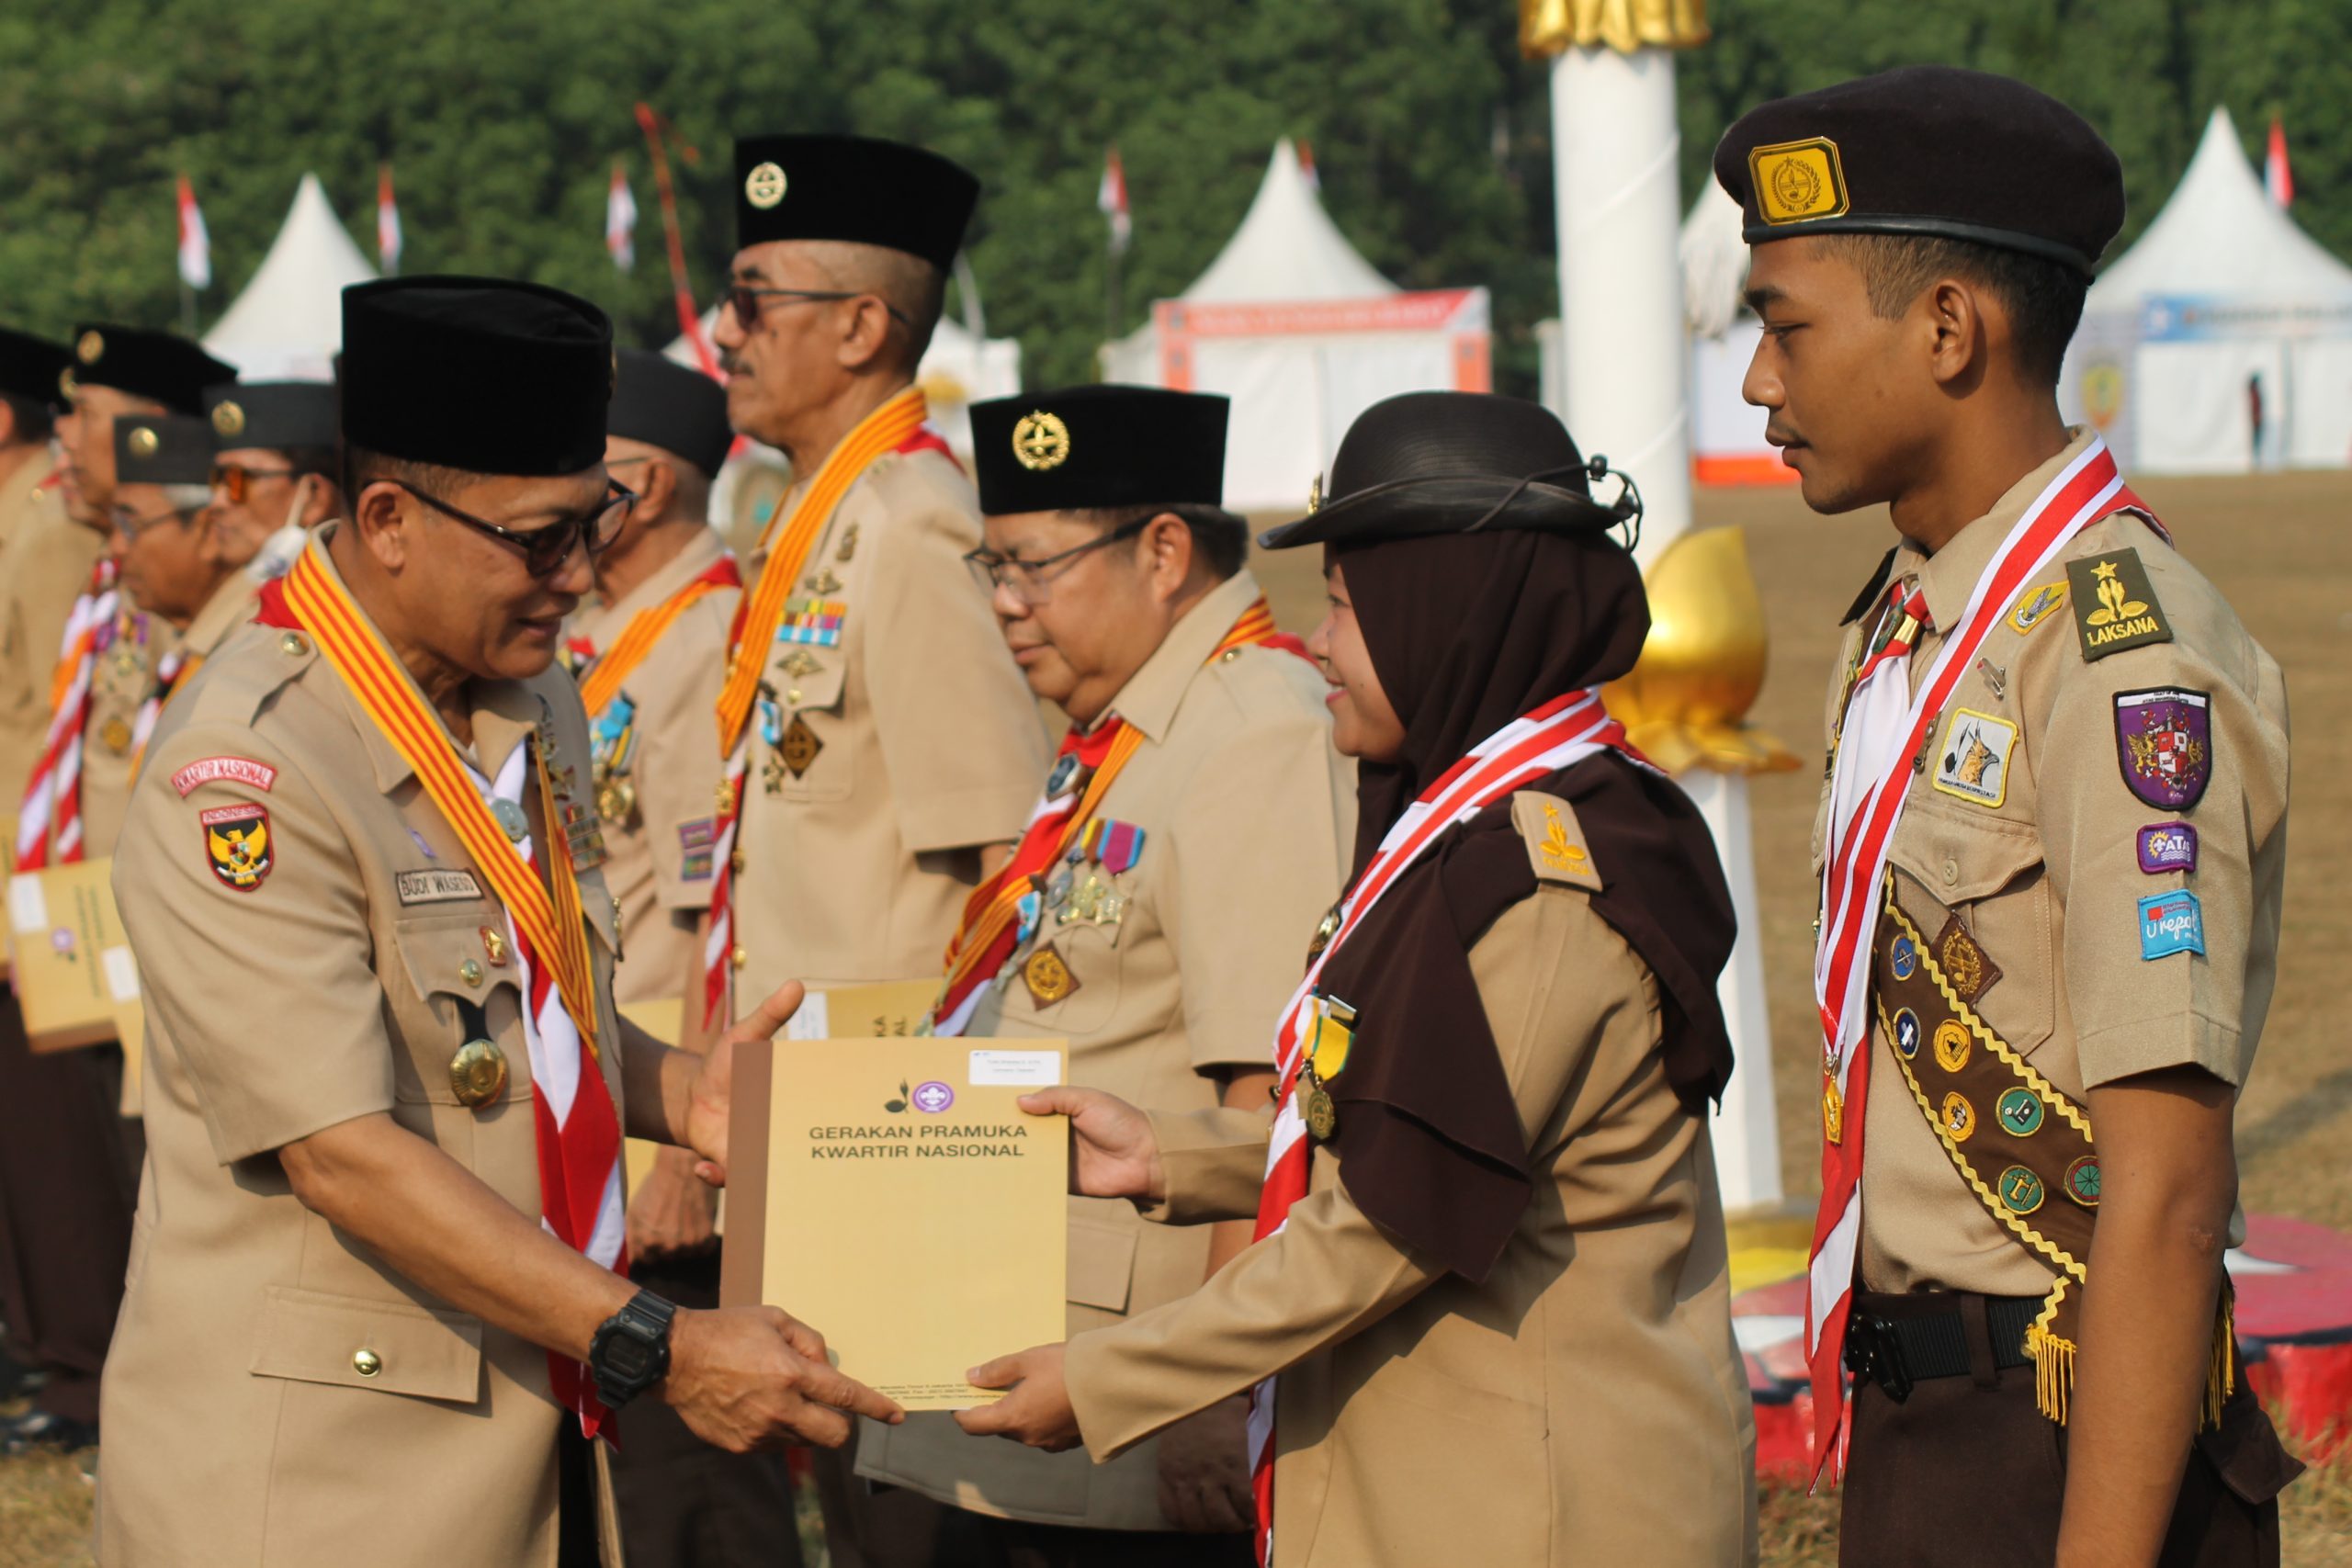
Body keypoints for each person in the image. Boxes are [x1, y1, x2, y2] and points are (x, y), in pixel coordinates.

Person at [99, 276, 902, 1568]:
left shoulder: (527, 699)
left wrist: (686, 1093)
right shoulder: (250, 771)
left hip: (519, 1426)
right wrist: (660, 1339)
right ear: (388, 519)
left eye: (596, 523)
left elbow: (513, 1013)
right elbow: (344, 1149)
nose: (578, 579)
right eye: (540, 539)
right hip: (322, 1483)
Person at [958, 391, 1759, 1568]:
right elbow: (1417, 1122)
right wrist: (1175, 1155)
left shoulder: (1539, 884)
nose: (1320, 643)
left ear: (1446, 617)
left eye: (1344, 607)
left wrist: (1110, 1378)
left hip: (1541, 1514)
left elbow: (1392, 1220)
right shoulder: (1462, 827)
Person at [1715, 67, 2299, 1565]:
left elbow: (2163, 1194)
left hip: (2067, 1442)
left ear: (1950, 329)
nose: (1757, 383)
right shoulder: (1909, 619)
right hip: (1930, 1433)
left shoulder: (2117, 653)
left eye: (1785, 324)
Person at [854, 386, 1352, 1566]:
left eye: (1032, 568)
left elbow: (1273, 1108)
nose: (1005, 607)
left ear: (1164, 551)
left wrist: (1209, 1390)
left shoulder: (1254, 732)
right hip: (1038, 1350)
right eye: (992, 568)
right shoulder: (1137, 729)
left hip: (1129, 1409)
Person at [705, 131, 1048, 1566]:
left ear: (859, 326)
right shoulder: (822, 511)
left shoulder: (909, 523)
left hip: (897, 1118)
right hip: (818, 1103)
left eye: (756, 298)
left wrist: (946, 1157)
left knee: (912, 1510)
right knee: (851, 1502)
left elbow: (996, 863)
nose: (724, 333)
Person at [571, 346, 792, 1568]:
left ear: (643, 482)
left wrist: (682, 1156)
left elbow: (717, 909)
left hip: (666, 1113)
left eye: (581, 472)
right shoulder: (607, 631)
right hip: (614, 1084)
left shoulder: (706, 632)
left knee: (696, 1483)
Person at [0, 326, 229, 1455]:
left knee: (106, 1154)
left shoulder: (117, 549)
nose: (69, 432)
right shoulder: (102, 553)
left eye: (93, 410)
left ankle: (99, 1375)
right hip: (72, 893)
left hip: (107, 900)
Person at [0, 325, 108, 1444]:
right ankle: (54, 1357)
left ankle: (79, 1365)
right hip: (25, 875)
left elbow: (58, 723)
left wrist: (35, 889)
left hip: (42, 886)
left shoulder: (46, 530)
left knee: (57, 1141)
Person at [201, 379, 344, 581]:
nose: (217, 502)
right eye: (218, 479)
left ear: (314, 497)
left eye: (239, 480)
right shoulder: (242, 593)